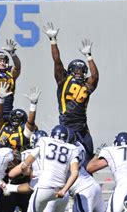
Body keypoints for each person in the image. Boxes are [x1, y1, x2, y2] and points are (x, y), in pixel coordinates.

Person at [9, 125, 80, 212]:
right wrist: (64, 190)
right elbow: (75, 172)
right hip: (60, 189)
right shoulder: (72, 149)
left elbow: (25, 165)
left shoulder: (44, 141)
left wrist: (24, 169)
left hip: (44, 186)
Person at [0, 82, 41, 212]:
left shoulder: (20, 132)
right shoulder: (3, 128)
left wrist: (1, 100)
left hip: (19, 178)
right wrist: (0, 99)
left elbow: (30, 124)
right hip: (6, 177)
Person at [42, 22, 99, 164]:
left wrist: (89, 57)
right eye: (77, 70)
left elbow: (95, 76)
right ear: (71, 70)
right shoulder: (63, 80)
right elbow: (57, 61)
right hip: (67, 126)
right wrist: (53, 41)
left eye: (82, 71)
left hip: (83, 127)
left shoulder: (86, 85)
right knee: (67, 161)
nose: (80, 73)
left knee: (88, 158)